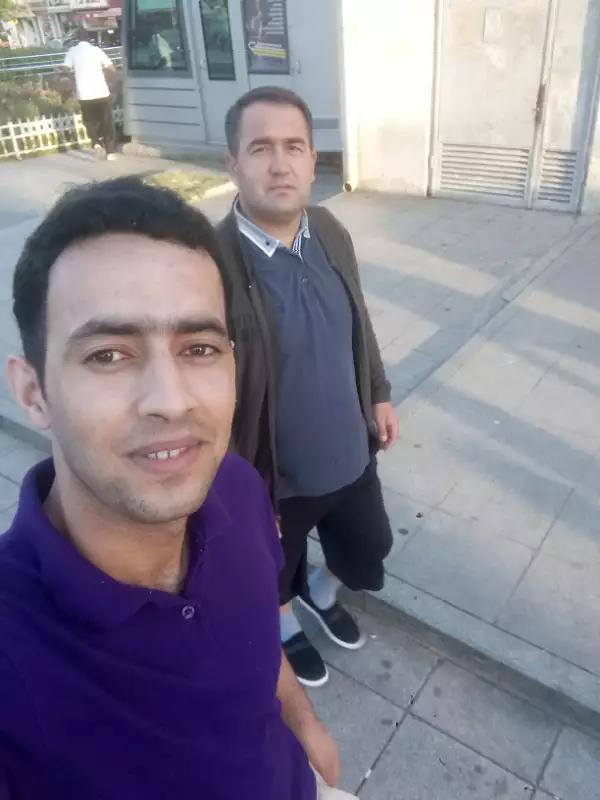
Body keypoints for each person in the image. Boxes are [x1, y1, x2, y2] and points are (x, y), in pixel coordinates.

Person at [0, 177, 358, 800]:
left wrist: (301, 719)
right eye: (108, 354)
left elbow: (254, 631)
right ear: (34, 393)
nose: (171, 401)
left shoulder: (236, 488)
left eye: (198, 347)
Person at [218, 88, 399, 687]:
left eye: (294, 146)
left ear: (313, 158)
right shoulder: (211, 264)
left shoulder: (328, 228)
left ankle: (321, 596)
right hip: (275, 480)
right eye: (261, 148)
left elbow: (358, 318)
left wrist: (378, 392)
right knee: (271, 573)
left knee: (370, 548)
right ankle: (284, 624)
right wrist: (239, 492)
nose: (281, 164)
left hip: (350, 451)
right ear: (232, 163)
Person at [62, 28, 117, 160]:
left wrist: (74, 78)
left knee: (89, 120)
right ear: (89, 38)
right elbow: (111, 68)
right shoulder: (97, 50)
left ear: (76, 39)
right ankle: (110, 152)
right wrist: (108, 81)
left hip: (84, 93)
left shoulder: (72, 51)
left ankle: (96, 142)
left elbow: (65, 69)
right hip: (101, 91)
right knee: (106, 121)